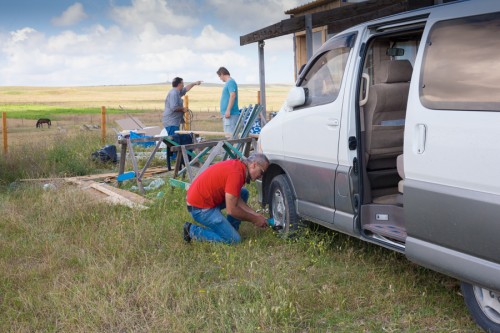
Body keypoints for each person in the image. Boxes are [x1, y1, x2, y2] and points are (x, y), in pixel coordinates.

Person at [184, 153, 270, 244]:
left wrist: (255, 215)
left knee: (243, 193)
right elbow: (232, 210)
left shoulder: (239, 167)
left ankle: (231, 228)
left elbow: (236, 199)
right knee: (234, 240)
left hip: (206, 200)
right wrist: (255, 219)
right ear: (254, 165)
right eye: (262, 172)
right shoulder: (236, 174)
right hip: (199, 209)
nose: (261, 177)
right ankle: (191, 230)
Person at [217, 67, 239, 135]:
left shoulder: (230, 82)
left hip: (231, 115)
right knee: (228, 136)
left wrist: (228, 110)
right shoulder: (229, 82)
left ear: (222, 74)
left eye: (219, 76)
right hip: (228, 115)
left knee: (230, 137)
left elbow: (232, 95)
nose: (220, 78)